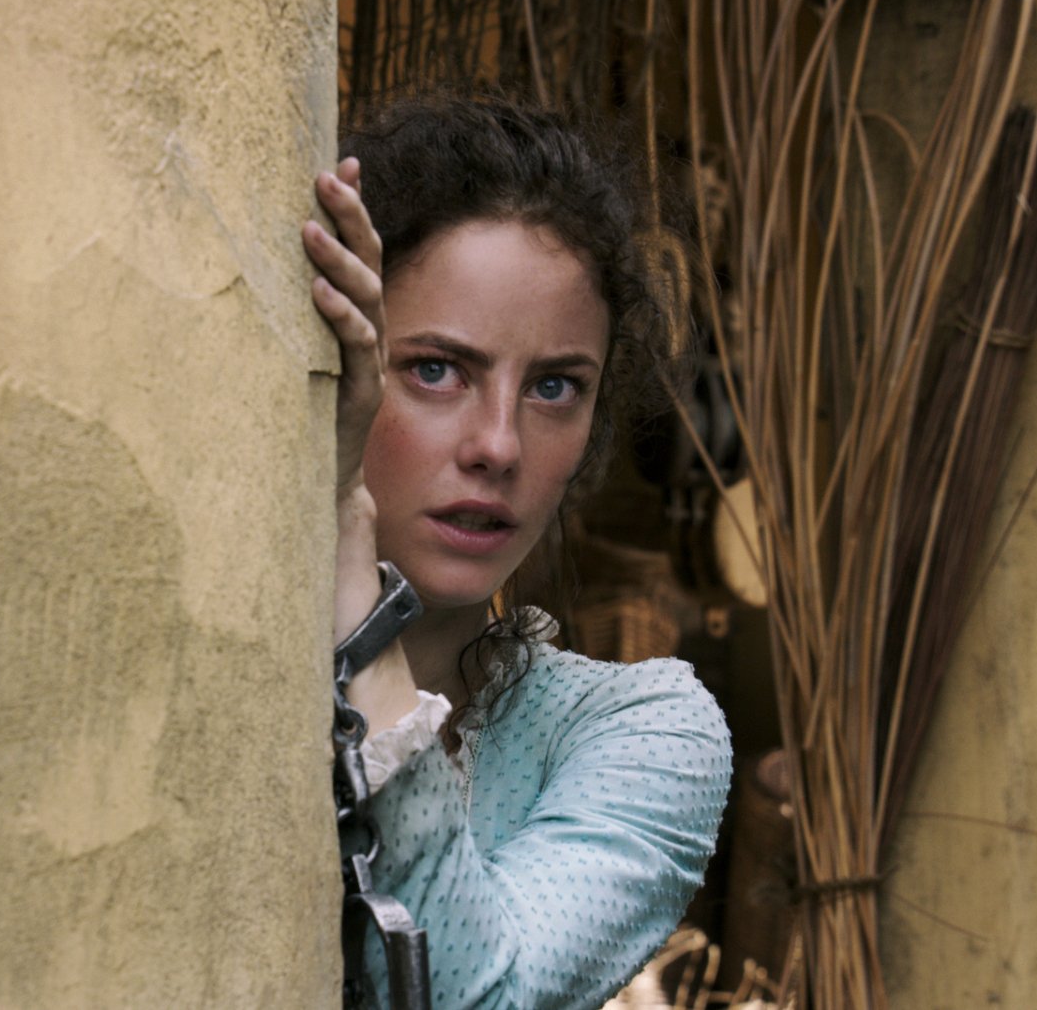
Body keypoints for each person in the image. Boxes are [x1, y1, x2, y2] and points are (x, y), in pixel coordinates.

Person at [300, 94, 733, 1009]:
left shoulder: (639, 731)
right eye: (435, 369)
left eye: (552, 387)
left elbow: (473, 999)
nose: (498, 444)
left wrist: (352, 549)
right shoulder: (227, 676)